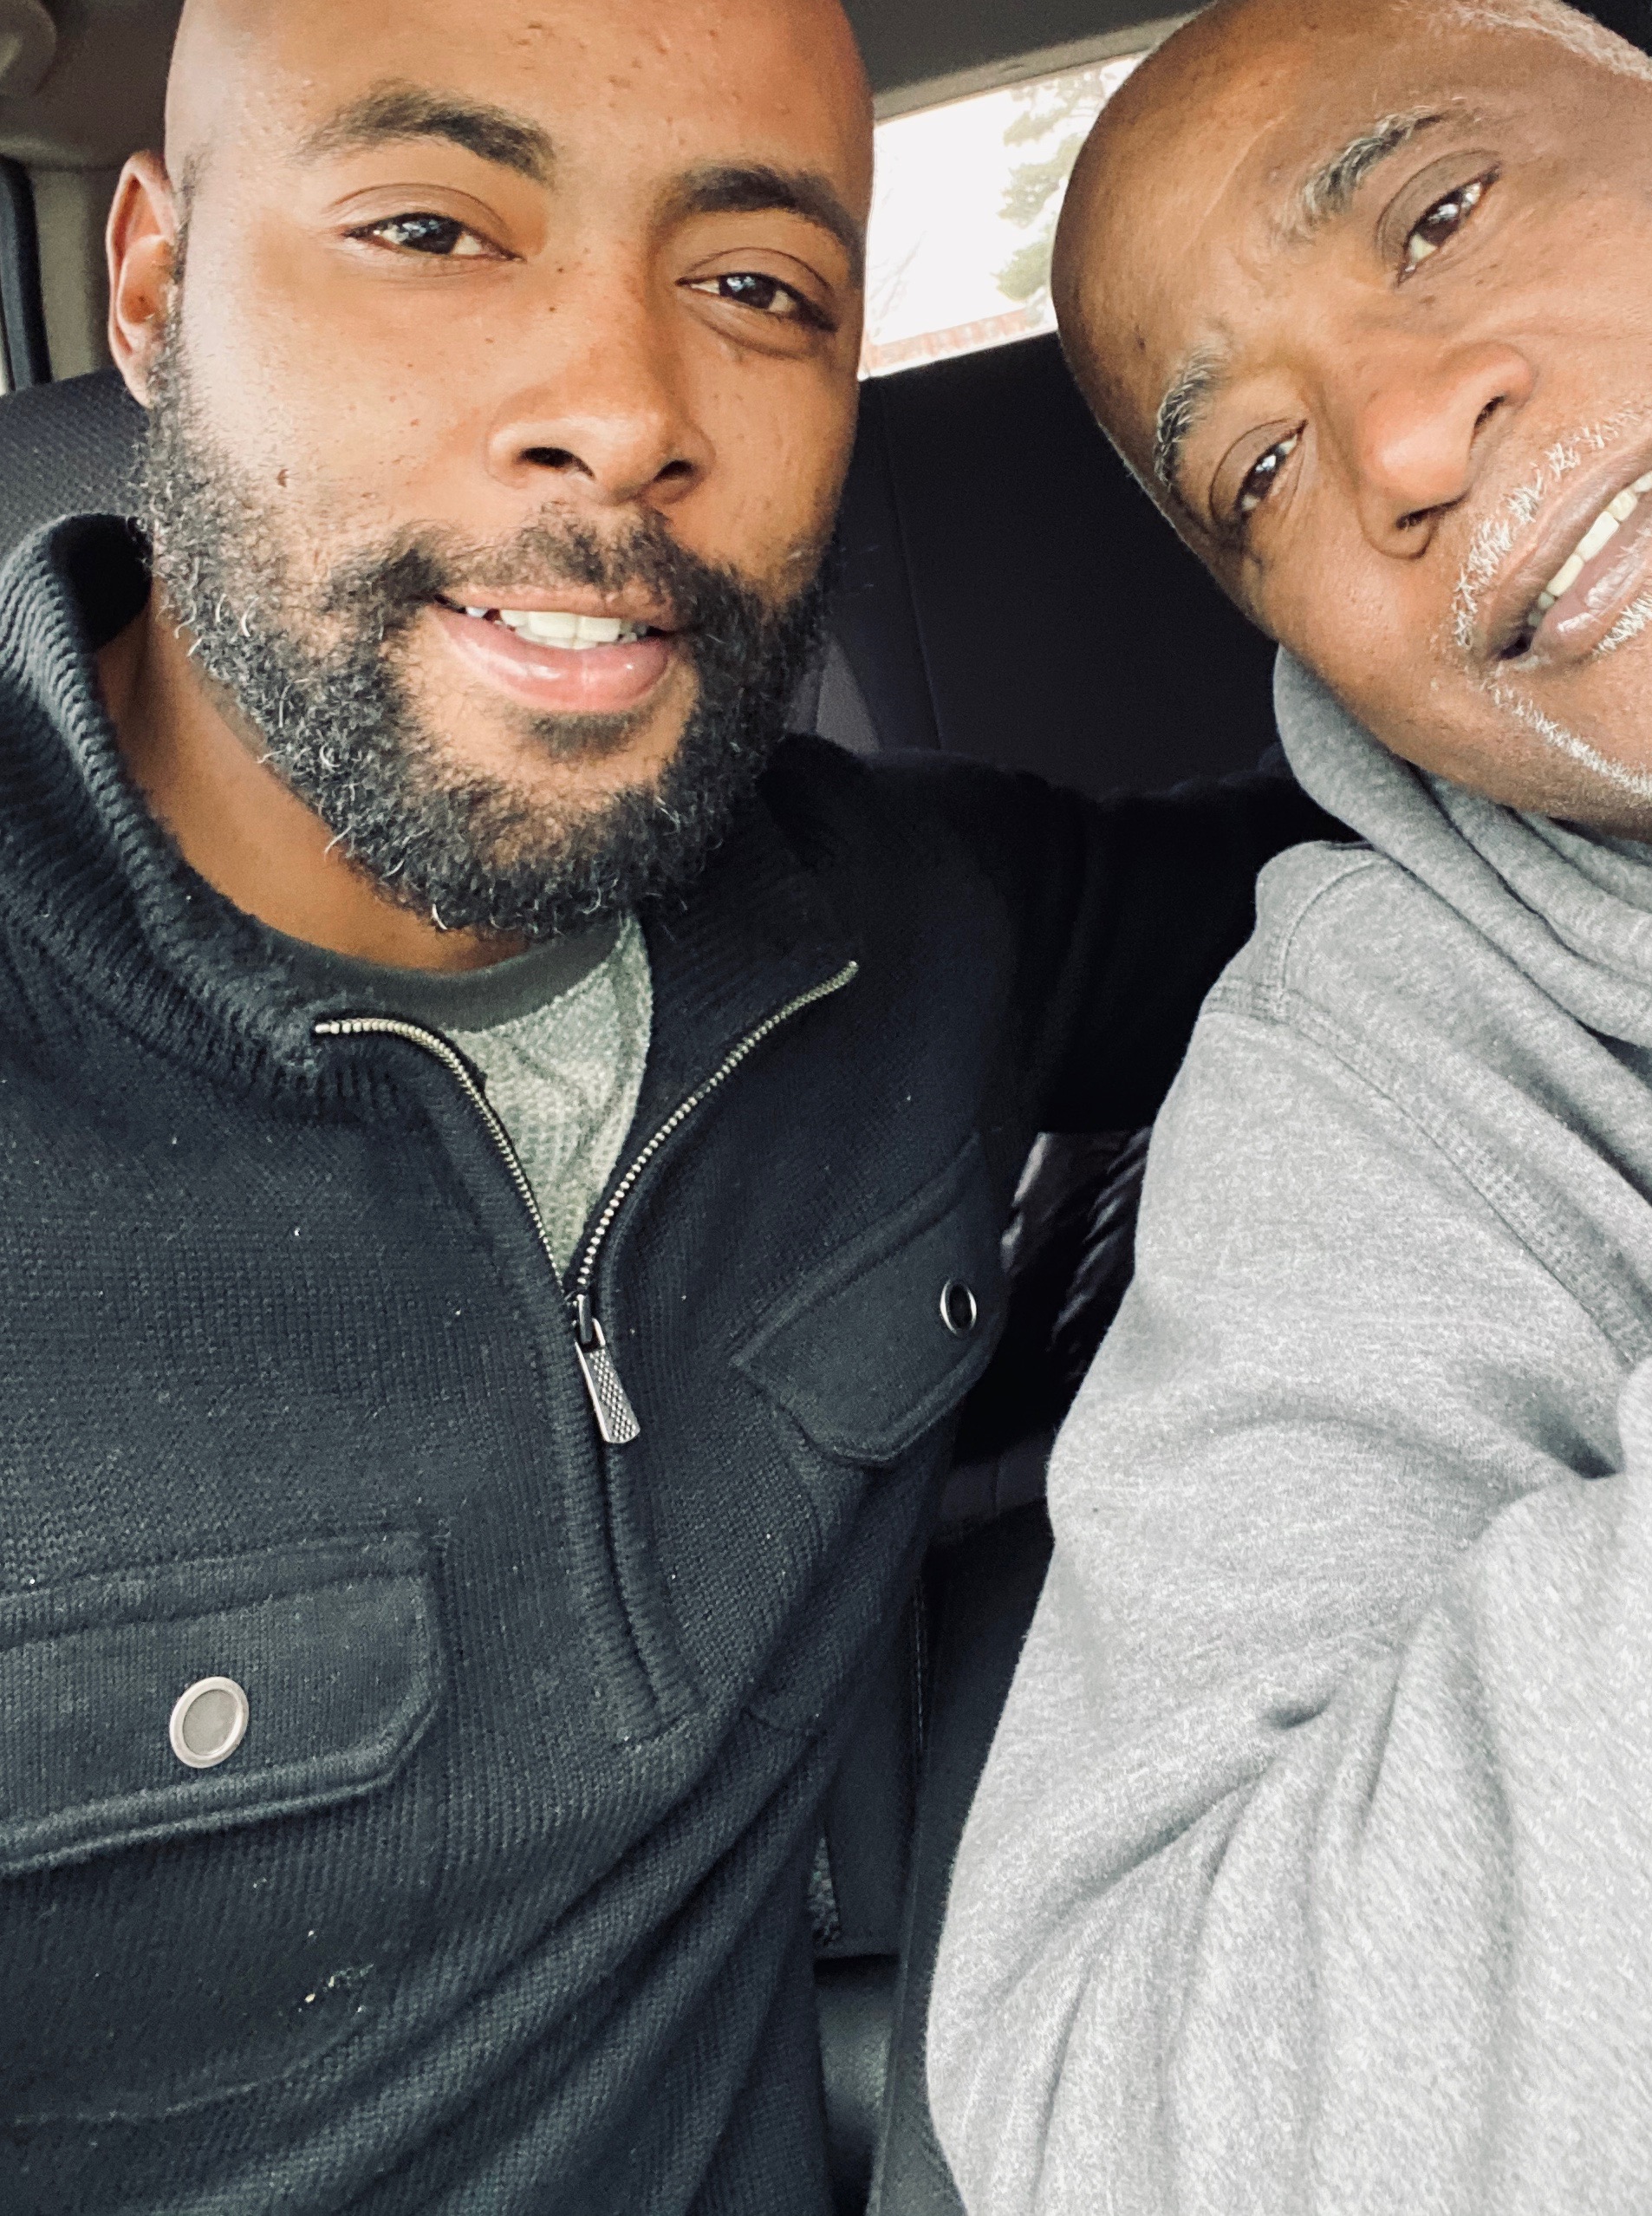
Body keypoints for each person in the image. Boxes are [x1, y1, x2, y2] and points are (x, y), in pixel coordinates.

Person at [0, 0, 1335, 2209]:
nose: (623, 411)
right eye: (432, 229)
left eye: (755, 285)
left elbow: (1388, 870)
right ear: (153, 288)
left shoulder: (899, 919)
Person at [927, 3, 1652, 2210]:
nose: (1404, 441)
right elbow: (1138, 2135)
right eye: (1257, 474)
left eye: (1438, 218)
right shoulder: (1381, 1078)